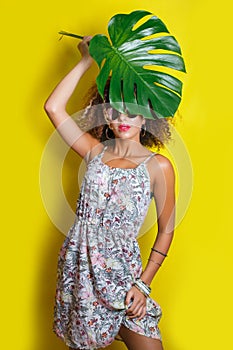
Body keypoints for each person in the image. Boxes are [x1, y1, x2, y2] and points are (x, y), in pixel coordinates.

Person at [44, 36, 175, 350]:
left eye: (130, 111)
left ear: (146, 114)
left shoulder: (160, 167)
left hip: (126, 277)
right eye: (114, 110)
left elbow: (166, 231)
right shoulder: (94, 153)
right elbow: (53, 107)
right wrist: (87, 59)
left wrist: (144, 284)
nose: (121, 118)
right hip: (82, 270)